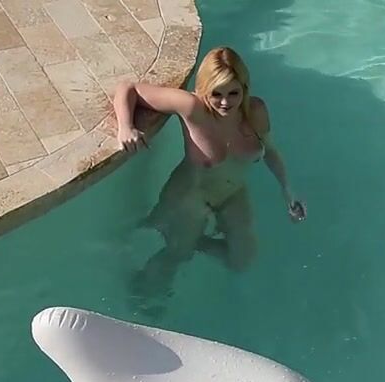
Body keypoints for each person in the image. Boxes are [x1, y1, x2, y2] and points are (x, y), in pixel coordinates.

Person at [113, 46, 305, 302]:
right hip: (190, 196)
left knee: (242, 259)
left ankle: (193, 239)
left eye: (233, 93)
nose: (226, 102)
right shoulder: (192, 107)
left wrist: (288, 190)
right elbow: (129, 89)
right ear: (205, 90)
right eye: (217, 94)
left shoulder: (255, 111)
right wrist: (125, 128)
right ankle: (142, 297)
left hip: (233, 192)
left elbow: (270, 151)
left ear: (244, 88)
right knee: (178, 255)